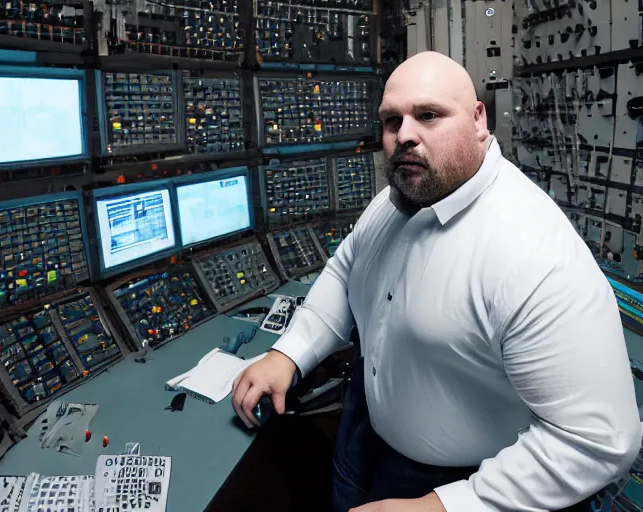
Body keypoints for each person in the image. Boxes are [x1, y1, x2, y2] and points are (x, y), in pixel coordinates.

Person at [232, 51, 642, 511]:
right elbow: (347, 269)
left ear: (478, 120)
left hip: (464, 481)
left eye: (428, 115)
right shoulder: (395, 201)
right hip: (364, 434)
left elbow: (600, 439)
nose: (405, 135)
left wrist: (446, 505)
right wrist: (290, 352)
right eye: (392, 121)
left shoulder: (533, 255)